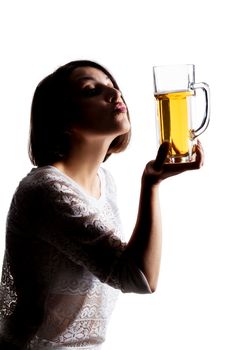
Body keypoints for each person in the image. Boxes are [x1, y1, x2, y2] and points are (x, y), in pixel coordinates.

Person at [0, 60, 204, 350]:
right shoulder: (45, 189)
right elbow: (139, 278)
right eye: (91, 90)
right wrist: (151, 184)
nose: (114, 94)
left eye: (113, 86)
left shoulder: (104, 182)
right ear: (62, 118)